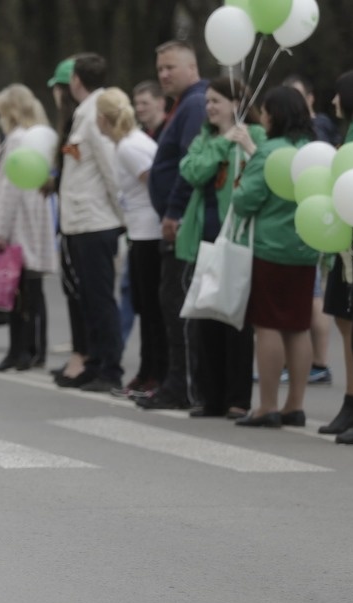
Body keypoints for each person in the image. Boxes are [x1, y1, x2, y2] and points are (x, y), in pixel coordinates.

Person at [177, 77, 265, 420]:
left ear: (236, 103)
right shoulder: (206, 138)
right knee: (206, 318)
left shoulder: (254, 134)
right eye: (208, 101)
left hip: (238, 238)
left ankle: (237, 398)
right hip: (205, 237)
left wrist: (247, 146)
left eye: (217, 101)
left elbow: (263, 170)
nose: (210, 107)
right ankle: (209, 397)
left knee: (235, 318)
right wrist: (222, 143)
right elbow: (192, 171)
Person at [231, 86, 318, 428]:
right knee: (298, 326)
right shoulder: (313, 150)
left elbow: (245, 201)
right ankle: (295, 404)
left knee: (267, 324)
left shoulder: (269, 152)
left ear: (275, 115)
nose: (263, 118)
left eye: (266, 112)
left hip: (270, 248)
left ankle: (267, 405)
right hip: (306, 246)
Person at [138, 40, 209, 411]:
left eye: (171, 67)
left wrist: (174, 212)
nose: (164, 75)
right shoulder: (185, 103)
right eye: (160, 69)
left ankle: (182, 386)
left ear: (192, 68)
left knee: (177, 304)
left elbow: (189, 164)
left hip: (181, 225)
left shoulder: (194, 104)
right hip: (177, 222)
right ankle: (177, 382)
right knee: (171, 303)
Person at [57, 53, 124, 393]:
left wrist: (123, 218)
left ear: (75, 80)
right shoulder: (83, 113)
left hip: (96, 221)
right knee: (88, 299)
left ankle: (110, 368)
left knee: (100, 300)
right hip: (81, 222)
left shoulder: (97, 111)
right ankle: (95, 362)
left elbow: (111, 169)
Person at [95, 87, 166, 397]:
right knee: (143, 306)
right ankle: (147, 371)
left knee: (150, 309)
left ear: (103, 118)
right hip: (139, 232)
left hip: (148, 233)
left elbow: (156, 183)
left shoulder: (128, 147)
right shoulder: (127, 143)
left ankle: (155, 373)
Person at [0, 84, 57, 372]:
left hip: (17, 222)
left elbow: (8, 187)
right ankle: (36, 349)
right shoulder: (38, 135)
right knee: (33, 289)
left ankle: (19, 351)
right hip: (33, 216)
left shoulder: (16, 139)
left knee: (17, 291)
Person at [284, 73, 340, 386]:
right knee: (312, 293)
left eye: (296, 96)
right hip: (307, 218)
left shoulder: (317, 128)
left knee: (314, 294)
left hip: (315, 219)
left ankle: (318, 362)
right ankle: (312, 363)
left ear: (310, 98)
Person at [46, 57, 88, 383]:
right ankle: (79, 352)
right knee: (73, 288)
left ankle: (84, 355)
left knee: (81, 291)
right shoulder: (70, 124)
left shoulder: (80, 121)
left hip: (82, 218)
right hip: (70, 216)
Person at [322, 69, 353, 444]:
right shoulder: (349, 131)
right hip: (345, 240)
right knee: (345, 320)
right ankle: (351, 399)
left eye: (338, 94)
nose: (334, 101)